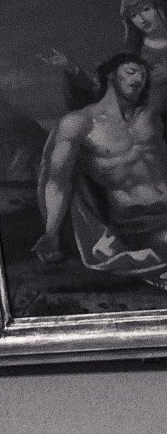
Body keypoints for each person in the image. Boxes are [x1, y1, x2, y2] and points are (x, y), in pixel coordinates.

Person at [34, 53, 167, 282]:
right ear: (111, 76)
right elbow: (59, 181)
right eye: (131, 71)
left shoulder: (149, 113)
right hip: (138, 221)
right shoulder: (79, 124)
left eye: (143, 75)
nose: (139, 79)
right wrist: (51, 233)